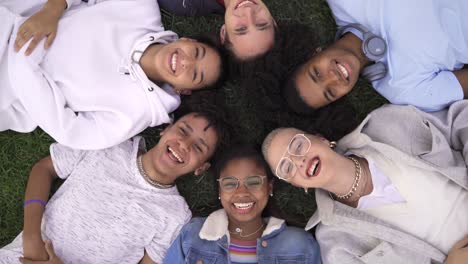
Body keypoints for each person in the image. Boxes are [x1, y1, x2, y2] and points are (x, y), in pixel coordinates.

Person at [0, 111, 227, 264]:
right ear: (165, 129)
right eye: (183, 131)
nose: (184, 145)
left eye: (198, 147)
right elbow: (44, 169)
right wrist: (31, 236)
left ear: (201, 168)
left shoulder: (175, 215)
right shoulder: (109, 144)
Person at [0, 0, 225, 150]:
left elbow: (73, 133)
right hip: (13, 17)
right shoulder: (141, 10)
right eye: (196, 52)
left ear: (183, 90)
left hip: (8, 89)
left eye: (195, 75)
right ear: (188, 40)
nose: (185, 62)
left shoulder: (136, 113)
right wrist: (54, 8)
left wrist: (24, 70)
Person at [262, 100, 468, 263]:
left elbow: (460, 121)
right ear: (298, 185)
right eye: (287, 168)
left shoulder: (385, 124)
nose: (299, 161)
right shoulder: (336, 242)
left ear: (321, 139)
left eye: (298, 146)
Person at [284, 0, 468, 113]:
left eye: (317, 73)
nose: (333, 78)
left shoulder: (344, 3)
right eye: (330, 92)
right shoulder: (404, 90)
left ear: (313, 52)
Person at [163, 145, 322, 263]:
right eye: (230, 184)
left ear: (270, 187)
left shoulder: (300, 244)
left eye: (253, 182)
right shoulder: (192, 235)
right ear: (219, 191)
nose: (241, 193)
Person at [158, 0, 277, 61]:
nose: (248, 12)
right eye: (261, 24)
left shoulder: (182, 3)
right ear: (273, 21)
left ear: (224, 32)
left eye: (241, 29)